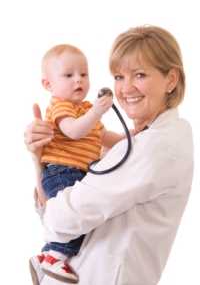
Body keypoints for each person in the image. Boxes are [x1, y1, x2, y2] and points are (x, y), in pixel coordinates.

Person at [25, 25, 194, 285]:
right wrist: (42, 156)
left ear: (171, 80)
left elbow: (58, 221)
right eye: (118, 77)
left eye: (139, 75)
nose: (126, 89)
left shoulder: (155, 148)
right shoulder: (137, 140)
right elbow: (57, 215)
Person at [29, 44, 125, 284]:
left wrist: (133, 135)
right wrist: (95, 112)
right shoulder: (62, 106)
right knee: (75, 220)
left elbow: (105, 137)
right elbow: (73, 131)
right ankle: (54, 256)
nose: (78, 80)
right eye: (68, 75)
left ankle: (44, 257)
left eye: (83, 74)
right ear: (48, 85)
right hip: (61, 172)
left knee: (76, 220)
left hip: (76, 173)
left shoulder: (84, 110)